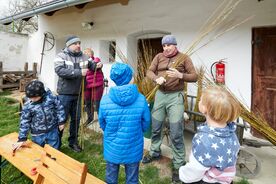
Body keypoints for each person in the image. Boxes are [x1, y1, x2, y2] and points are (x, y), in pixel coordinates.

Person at [143, 34, 198, 183]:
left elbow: (195, 76)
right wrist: (156, 78)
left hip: (176, 96)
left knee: (176, 131)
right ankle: (154, 151)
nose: (166, 48)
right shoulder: (159, 56)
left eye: (169, 45)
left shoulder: (184, 58)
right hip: (160, 95)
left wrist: (181, 75)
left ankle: (178, 163)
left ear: (175, 45)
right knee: (156, 126)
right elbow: (149, 71)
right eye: (164, 45)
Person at [99, 62, 150, 184]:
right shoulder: (141, 99)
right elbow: (146, 122)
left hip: (112, 146)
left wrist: (110, 131)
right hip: (133, 144)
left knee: (111, 177)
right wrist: (138, 130)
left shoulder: (105, 99)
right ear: (129, 78)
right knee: (132, 178)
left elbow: (102, 122)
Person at [179, 85, 241, 184]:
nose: (199, 101)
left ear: (204, 109)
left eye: (200, 100)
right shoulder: (232, 133)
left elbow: (195, 171)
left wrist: (183, 174)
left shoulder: (203, 140)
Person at [54, 35, 99, 152]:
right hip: (64, 94)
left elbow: (93, 66)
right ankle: (56, 143)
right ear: (68, 45)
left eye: (79, 43)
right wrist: (78, 72)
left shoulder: (85, 57)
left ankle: (73, 142)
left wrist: (98, 65)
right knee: (61, 119)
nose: (78, 45)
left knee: (76, 119)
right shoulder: (61, 56)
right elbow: (59, 70)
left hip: (79, 94)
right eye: (75, 44)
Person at [12, 80, 66, 151]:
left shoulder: (51, 97)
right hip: (37, 133)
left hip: (52, 130)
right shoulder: (28, 105)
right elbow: (25, 122)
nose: (32, 99)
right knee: (38, 150)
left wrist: (61, 121)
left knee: (54, 150)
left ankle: (53, 159)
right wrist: (22, 138)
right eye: (30, 97)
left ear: (42, 93)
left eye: (35, 97)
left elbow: (59, 108)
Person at [83, 48, 104, 125]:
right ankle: (90, 118)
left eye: (88, 52)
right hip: (87, 85)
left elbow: (98, 65)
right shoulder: (83, 62)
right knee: (88, 102)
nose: (86, 53)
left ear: (92, 54)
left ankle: (101, 119)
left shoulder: (96, 59)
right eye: (84, 52)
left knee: (97, 102)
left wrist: (99, 65)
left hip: (97, 85)